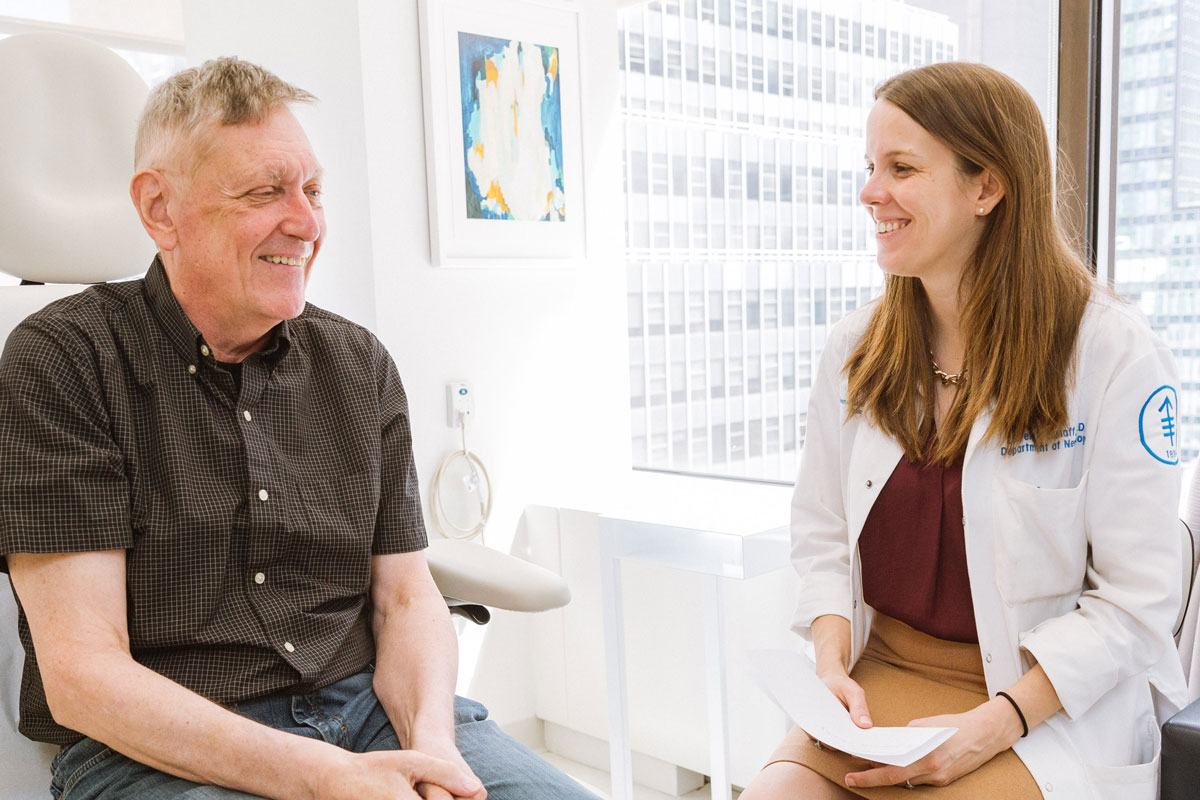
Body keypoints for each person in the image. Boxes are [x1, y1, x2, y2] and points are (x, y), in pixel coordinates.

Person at [0, 57, 594, 800]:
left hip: (369, 712)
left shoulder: (355, 363)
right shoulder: (65, 361)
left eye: (313, 191)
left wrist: (434, 751)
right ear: (160, 209)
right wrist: (323, 778)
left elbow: (407, 600)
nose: (309, 224)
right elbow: (84, 678)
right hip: (160, 750)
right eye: (265, 193)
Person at [739, 62, 1188, 800]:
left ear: (987, 187)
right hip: (878, 680)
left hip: (1040, 704)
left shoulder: (1113, 354)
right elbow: (821, 531)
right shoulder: (857, 350)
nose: (870, 192)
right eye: (870, 167)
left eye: (902, 168)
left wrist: (996, 721)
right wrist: (829, 668)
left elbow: (1136, 603)